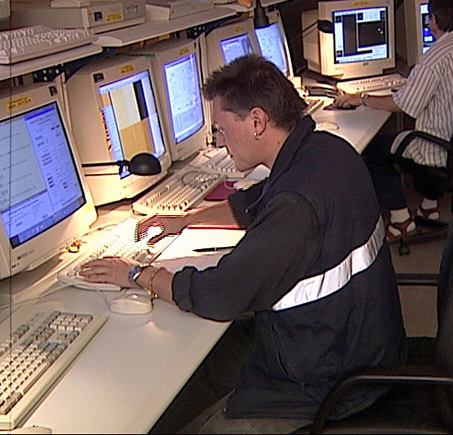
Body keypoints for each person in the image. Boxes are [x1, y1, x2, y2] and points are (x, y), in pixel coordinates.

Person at [80, 54, 407, 433]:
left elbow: (219, 295)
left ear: (256, 122)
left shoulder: (295, 207)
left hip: (325, 382)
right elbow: (256, 202)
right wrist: (184, 220)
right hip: (358, 340)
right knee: (204, 368)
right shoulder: (325, 152)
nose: (219, 143)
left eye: (221, 130)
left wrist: (139, 274)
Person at [332, 0, 453, 242]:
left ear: (434, 20)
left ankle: (401, 220)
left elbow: (403, 105)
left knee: (373, 148)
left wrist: (360, 98)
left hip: (437, 151)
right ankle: (429, 206)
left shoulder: (435, 59)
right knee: (410, 134)